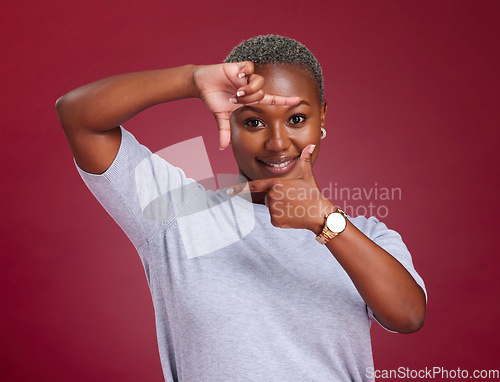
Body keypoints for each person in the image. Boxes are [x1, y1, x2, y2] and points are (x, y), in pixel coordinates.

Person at [56, 35, 426, 382]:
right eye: (254, 122)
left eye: (296, 119)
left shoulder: (366, 235)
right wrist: (192, 79)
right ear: (228, 121)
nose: (278, 142)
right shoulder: (177, 213)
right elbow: (79, 118)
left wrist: (323, 221)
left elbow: (408, 317)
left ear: (322, 117)